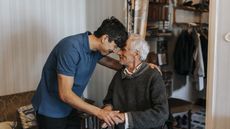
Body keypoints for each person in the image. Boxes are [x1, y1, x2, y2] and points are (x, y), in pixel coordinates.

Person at [32, 16, 128, 129]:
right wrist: (99, 112)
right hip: (51, 109)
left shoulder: (96, 49)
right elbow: (65, 94)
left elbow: (112, 63)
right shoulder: (70, 48)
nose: (114, 51)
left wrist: (140, 65)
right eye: (115, 46)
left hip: (70, 106)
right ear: (105, 38)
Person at [102, 34, 169, 129]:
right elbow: (109, 101)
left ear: (136, 54)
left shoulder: (153, 76)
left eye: (124, 49)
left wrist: (125, 118)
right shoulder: (119, 76)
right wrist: (107, 111)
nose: (119, 52)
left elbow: (161, 114)